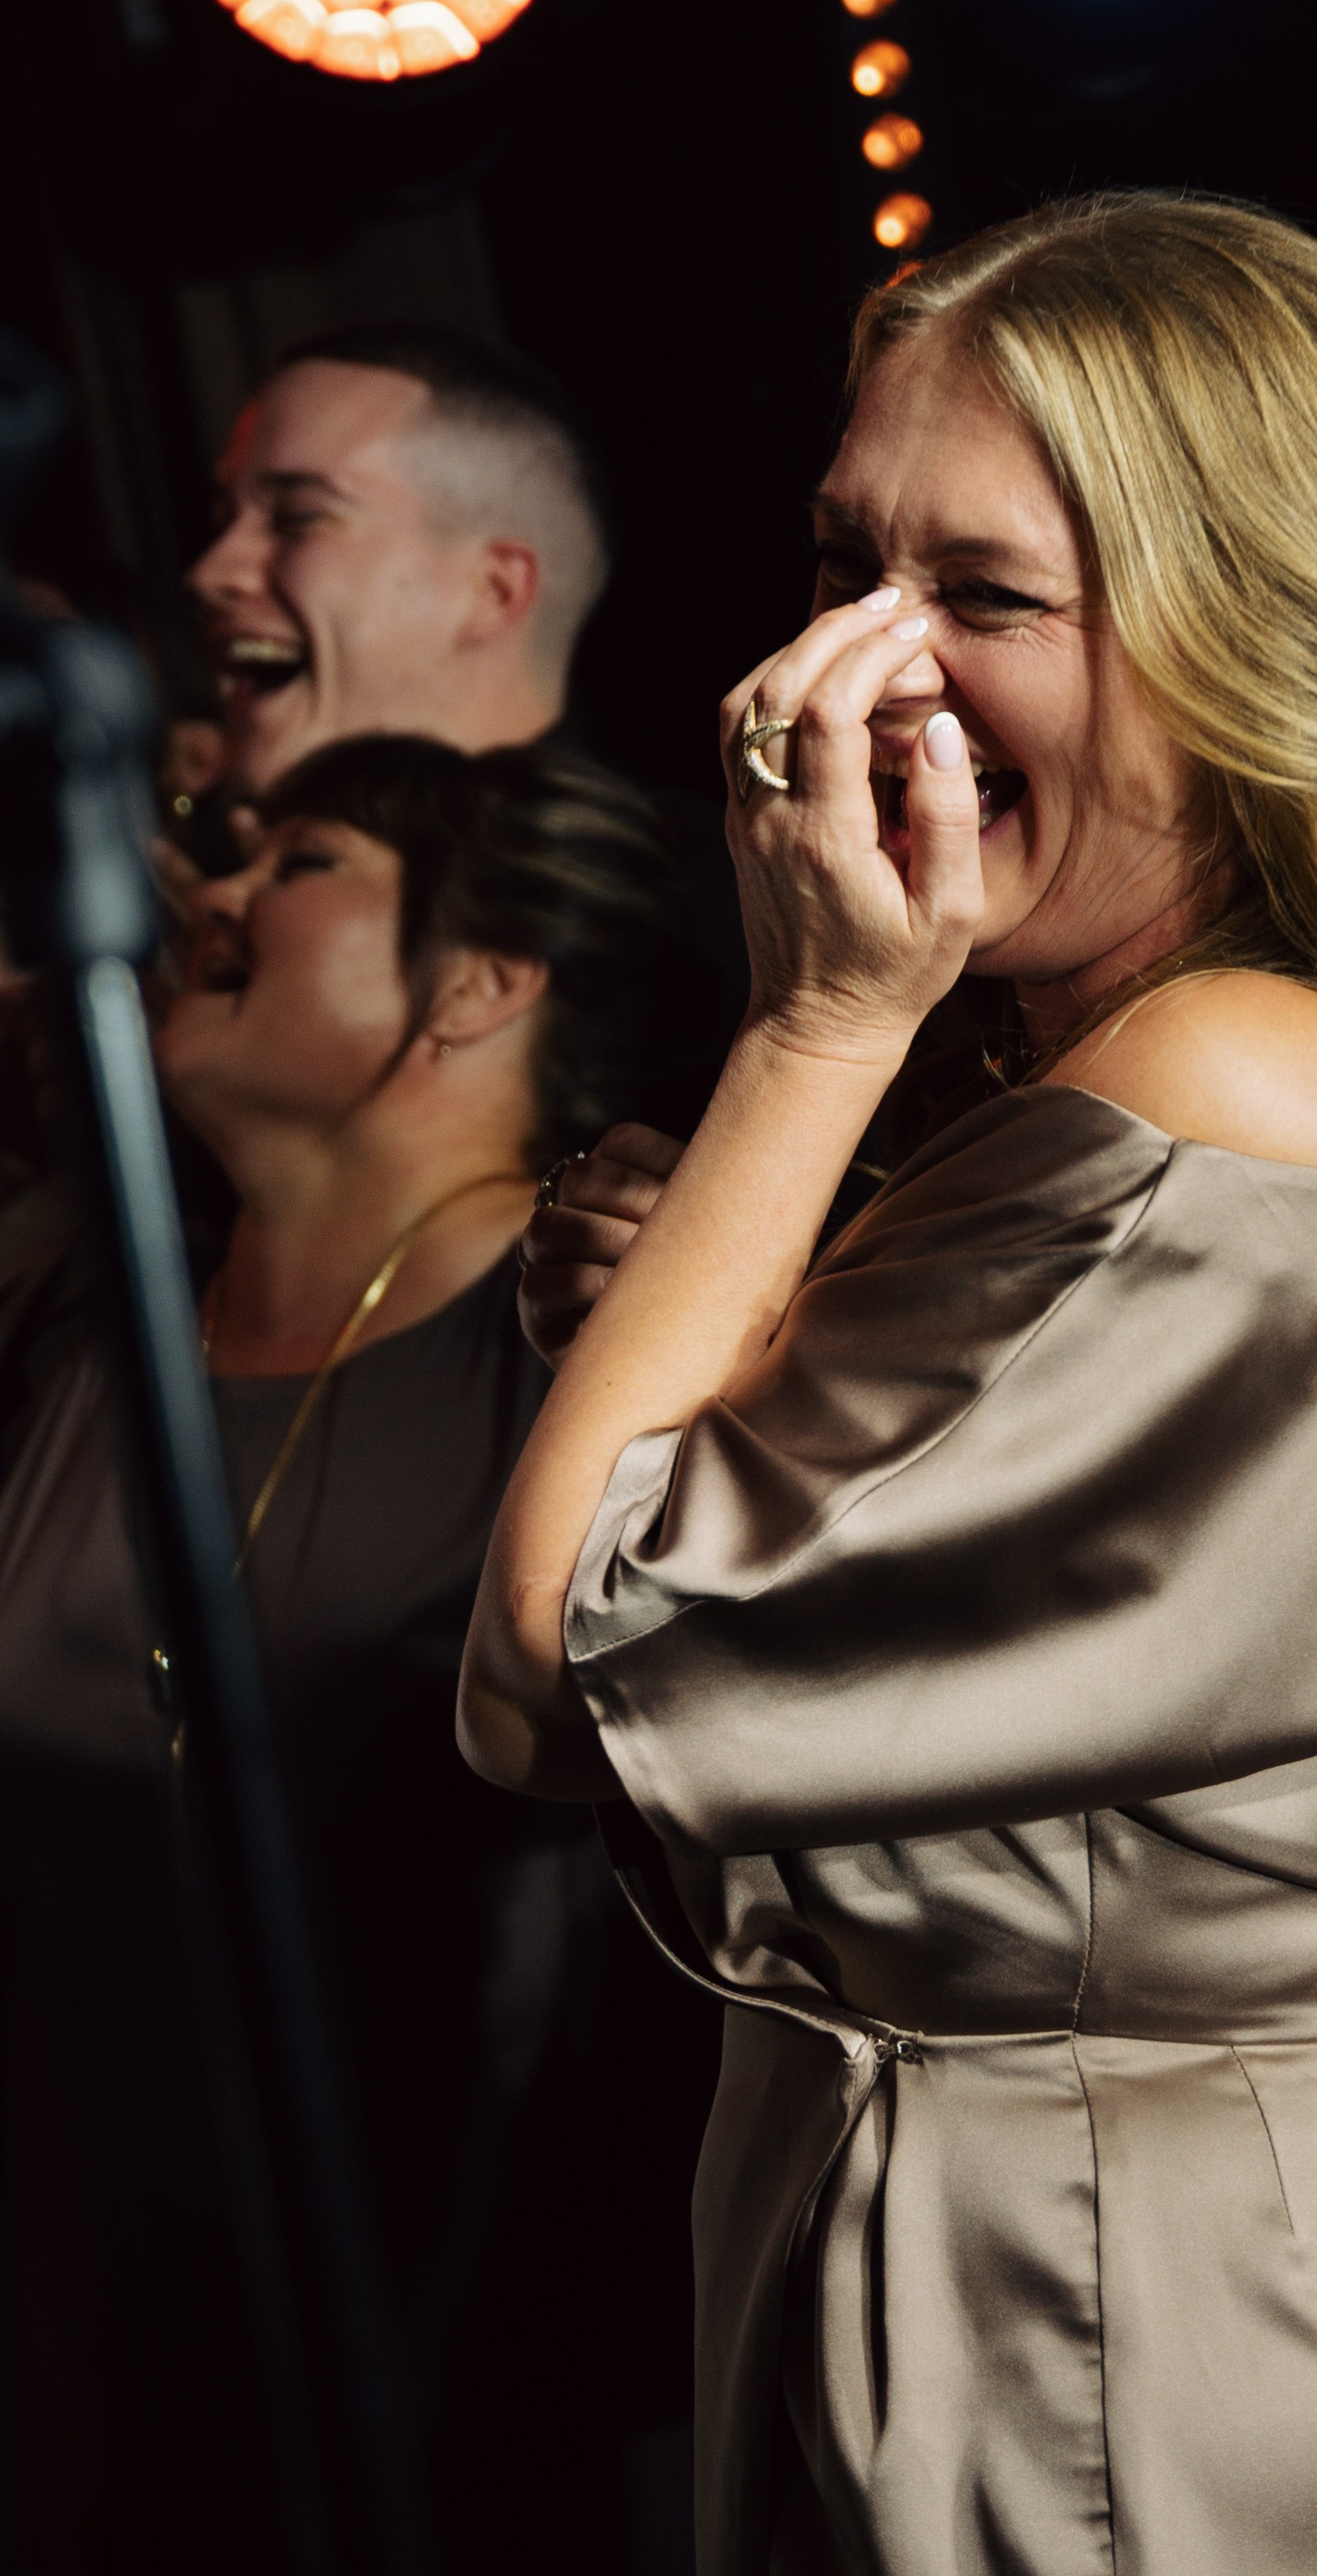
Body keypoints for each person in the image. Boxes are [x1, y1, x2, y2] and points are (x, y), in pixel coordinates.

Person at [461, 191, 1317, 2575]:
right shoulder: (1086, 1065)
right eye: (841, 563)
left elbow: (550, 1666)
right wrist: (773, 1279)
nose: (843, 673)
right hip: (1020, 2292)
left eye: (984, 600)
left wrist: (813, 1032)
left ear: (1255, 638)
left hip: (1170, 2367)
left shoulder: (1245, 1080)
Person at [0, 735, 716, 2574]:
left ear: (480, 981)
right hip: (76, 2378)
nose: (212, 900)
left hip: (444, 2404)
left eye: (300, 862)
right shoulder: (77, 1321)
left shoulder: (579, 1367)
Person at [189, 324, 612, 800]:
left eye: (298, 518)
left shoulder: (669, 872)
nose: (211, 573)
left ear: (493, 592)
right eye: (223, 519)